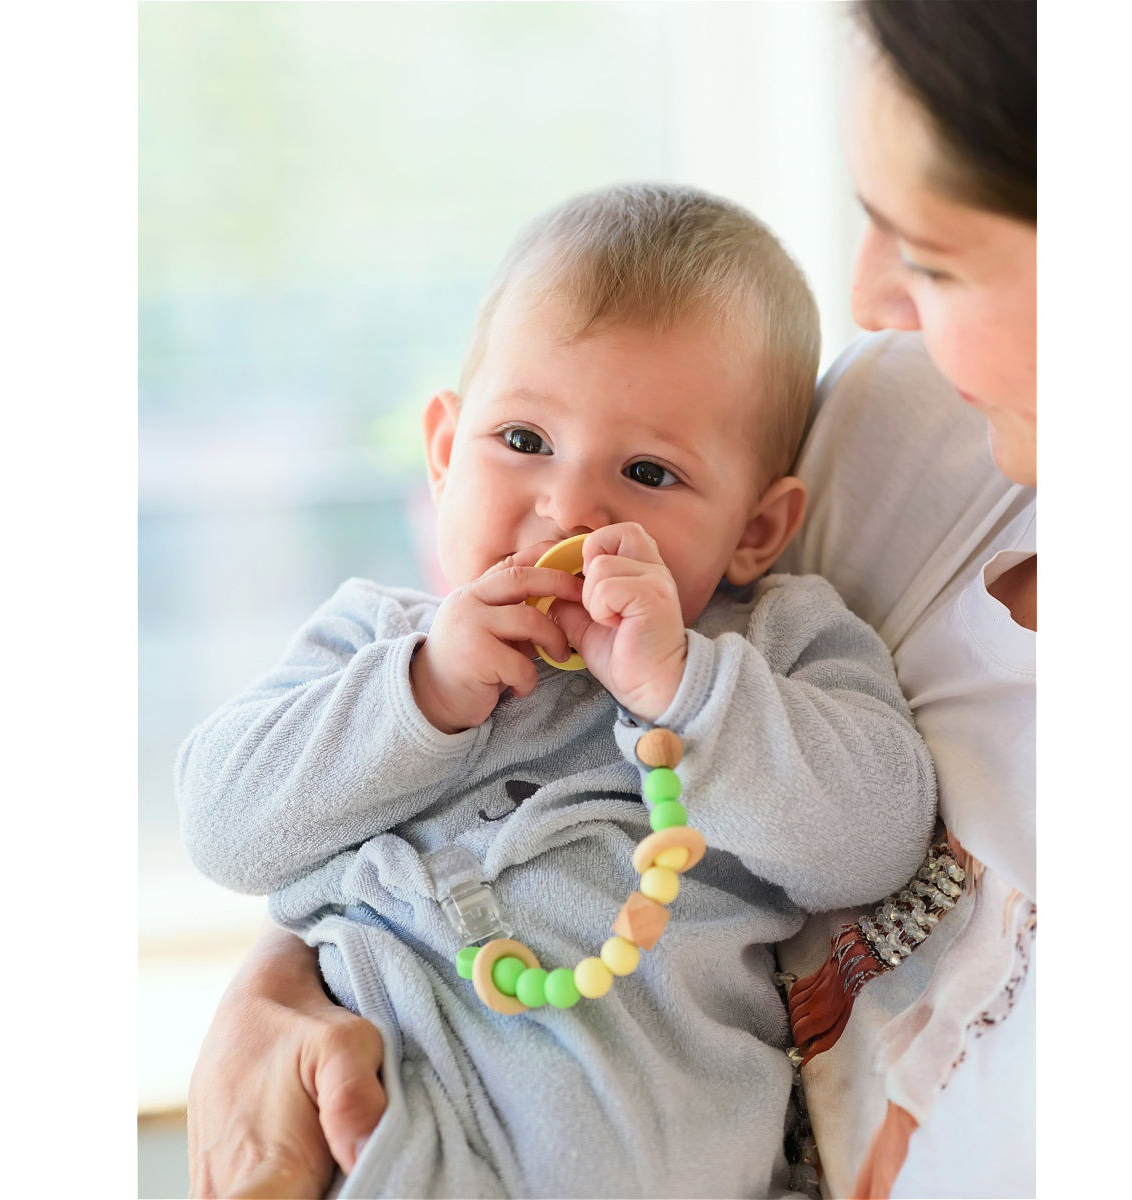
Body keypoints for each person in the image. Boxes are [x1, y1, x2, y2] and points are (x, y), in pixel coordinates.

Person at [185, 0, 1038, 1193]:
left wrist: (688, 689)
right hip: (388, 1129)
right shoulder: (378, 644)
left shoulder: (778, 646)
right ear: (441, 451)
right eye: (522, 437)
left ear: (757, 530)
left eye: (647, 473)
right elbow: (226, 825)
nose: (567, 509)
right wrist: (423, 692)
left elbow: (869, 844)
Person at [777, 2, 1036, 1197]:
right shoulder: (896, 436)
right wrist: (301, 969)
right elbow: (539, 743)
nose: (872, 297)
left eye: (929, 256)